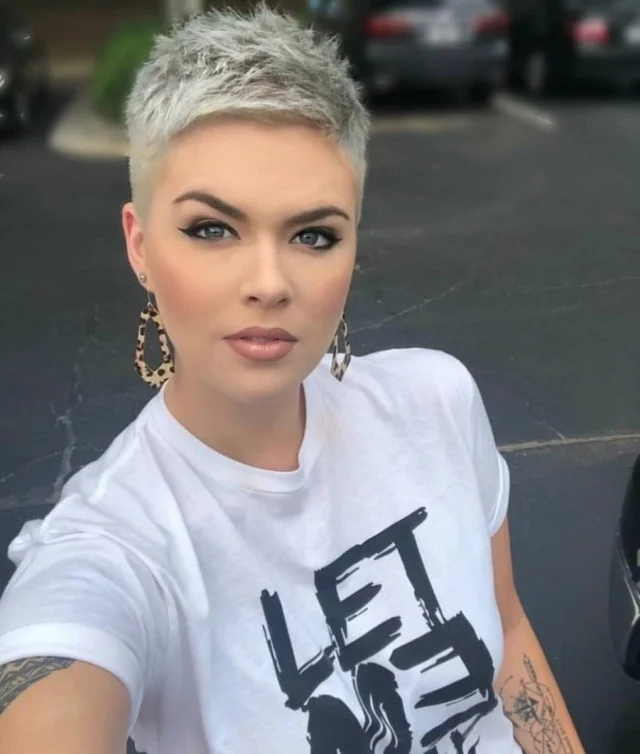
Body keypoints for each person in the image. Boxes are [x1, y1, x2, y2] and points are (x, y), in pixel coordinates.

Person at [0, 6, 584, 754]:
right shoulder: (115, 548)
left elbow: (508, 634)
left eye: (314, 235)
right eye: (212, 229)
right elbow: (61, 669)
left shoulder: (437, 400)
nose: (270, 283)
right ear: (139, 245)